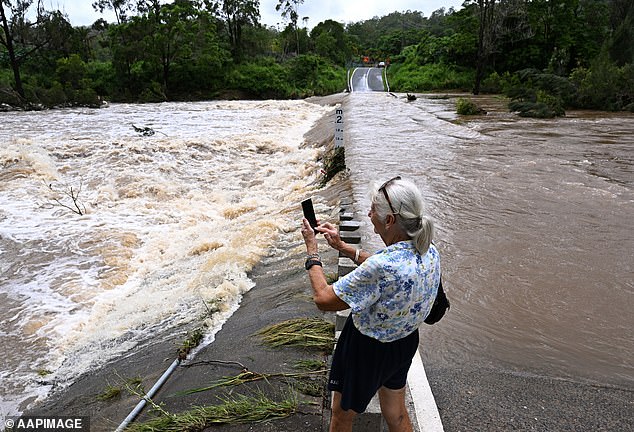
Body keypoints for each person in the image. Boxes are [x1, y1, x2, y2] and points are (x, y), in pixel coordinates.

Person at [301, 176, 441, 432]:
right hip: (403, 342)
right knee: (396, 412)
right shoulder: (428, 249)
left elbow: (323, 299)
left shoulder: (383, 267)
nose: (368, 214)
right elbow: (384, 266)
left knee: (341, 415)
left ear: (389, 220)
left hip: (366, 350)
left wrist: (312, 250)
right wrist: (342, 246)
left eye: (373, 210)